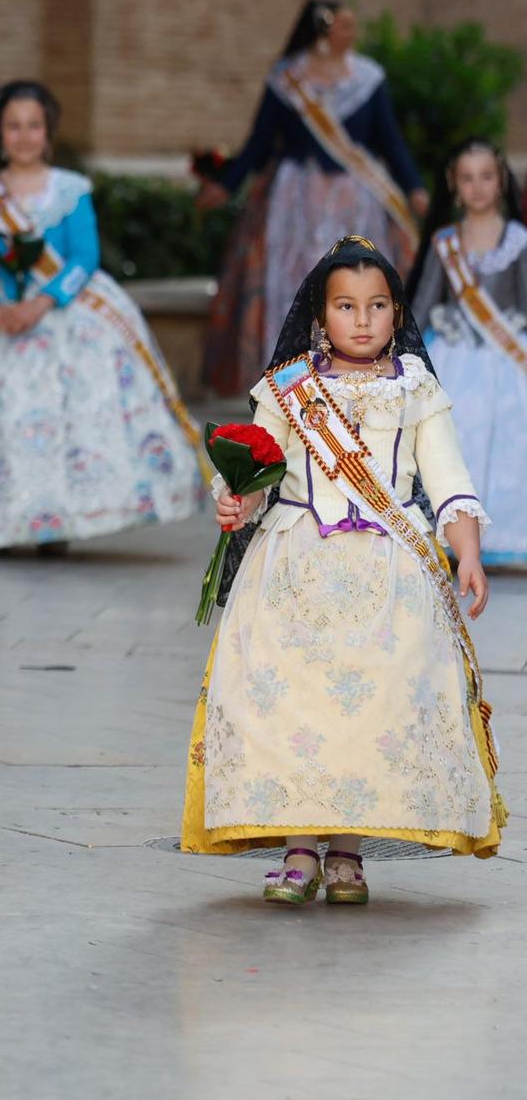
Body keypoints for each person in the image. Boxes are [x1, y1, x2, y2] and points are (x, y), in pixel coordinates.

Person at [183, 236, 502, 905]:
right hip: (295, 565)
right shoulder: (288, 388)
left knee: (373, 707)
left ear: (396, 313)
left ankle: (348, 854)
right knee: (295, 700)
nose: (362, 319)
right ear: (319, 317)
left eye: (378, 305)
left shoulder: (416, 387)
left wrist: (466, 550)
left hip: (391, 572)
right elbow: (260, 469)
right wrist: (237, 498)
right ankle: (299, 847)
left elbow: (448, 481)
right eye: (347, 306)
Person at [0, 80, 202, 551]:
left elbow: (84, 255)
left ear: (48, 131)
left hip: (64, 310)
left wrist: (42, 302)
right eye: (13, 126)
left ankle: (59, 521)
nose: (24, 136)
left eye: (33, 126)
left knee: (69, 414)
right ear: (0, 133)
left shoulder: (71, 189)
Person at [198, 0, 429, 393]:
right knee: (295, 282)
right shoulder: (287, 79)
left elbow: (391, 142)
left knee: (356, 280)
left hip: (355, 201)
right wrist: (225, 183)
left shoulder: (368, 79)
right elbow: (258, 142)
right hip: (293, 205)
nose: (351, 34)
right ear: (322, 31)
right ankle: (293, 377)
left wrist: (414, 188)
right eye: (343, 26)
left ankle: (359, 368)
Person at [406, 139, 527, 565]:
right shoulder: (445, 243)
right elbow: (420, 305)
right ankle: (453, 537)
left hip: (509, 364)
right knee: (455, 439)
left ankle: (507, 536)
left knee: (513, 440)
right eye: (467, 178)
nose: (477, 187)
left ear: (501, 181)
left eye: (487, 176)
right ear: (453, 185)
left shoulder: (519, 240)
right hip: (453, 359)